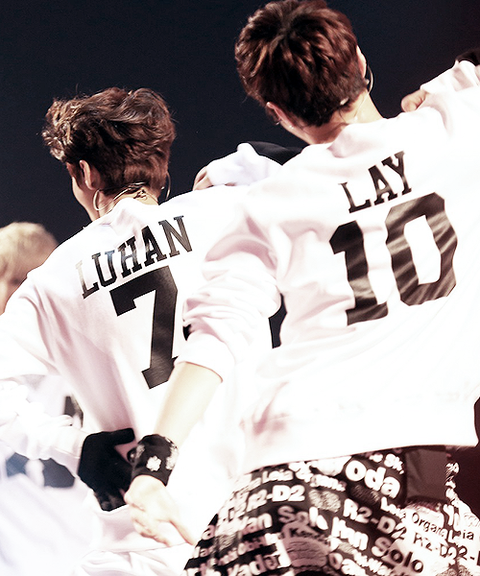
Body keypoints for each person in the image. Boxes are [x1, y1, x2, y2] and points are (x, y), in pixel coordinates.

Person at [125, 2, 480, 576]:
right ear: (359, 62)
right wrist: (449, 81)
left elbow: (216, 335)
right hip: (400, 477)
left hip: (277, 482)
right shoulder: (457, 127)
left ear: (279, 112)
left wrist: (153, 467)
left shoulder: (271, 200)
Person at [0, 87, 299, 575]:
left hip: (142, 538)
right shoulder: (223, 211)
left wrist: (72, 446)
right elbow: (316, 164)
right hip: (256, 516)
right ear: (161, 162)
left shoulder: (50, 282)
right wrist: (237, 167)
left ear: (85, 173)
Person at [0, 222, 92, 576]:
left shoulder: (90, 362)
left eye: (33, 282)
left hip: (91, 559)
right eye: (15, 280)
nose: (25, 295)